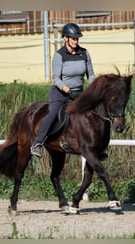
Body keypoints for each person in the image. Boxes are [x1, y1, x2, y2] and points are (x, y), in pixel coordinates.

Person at [30, 23, 96, 158]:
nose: (76, 41)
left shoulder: (84, 53)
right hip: (60, 93)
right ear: (65, 38)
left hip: (79, 92)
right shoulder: (59, 56)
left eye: (77, 38)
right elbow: (57, 80)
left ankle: (97, 147)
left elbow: (91, 74)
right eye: (73, 38)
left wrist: (93, 90)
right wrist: (69, 91)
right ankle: (37, 143)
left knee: (93, 113)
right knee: (53, 113)